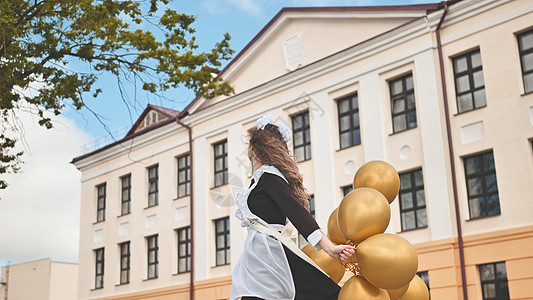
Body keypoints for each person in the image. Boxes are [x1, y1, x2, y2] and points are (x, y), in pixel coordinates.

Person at [231, 115, 355, 300]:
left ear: (252, 148)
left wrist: (328, 246)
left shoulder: (269, 176)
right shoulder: (260, 180)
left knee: (328, 295)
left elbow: (296, 211)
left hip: (270, 253)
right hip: (259, 255)